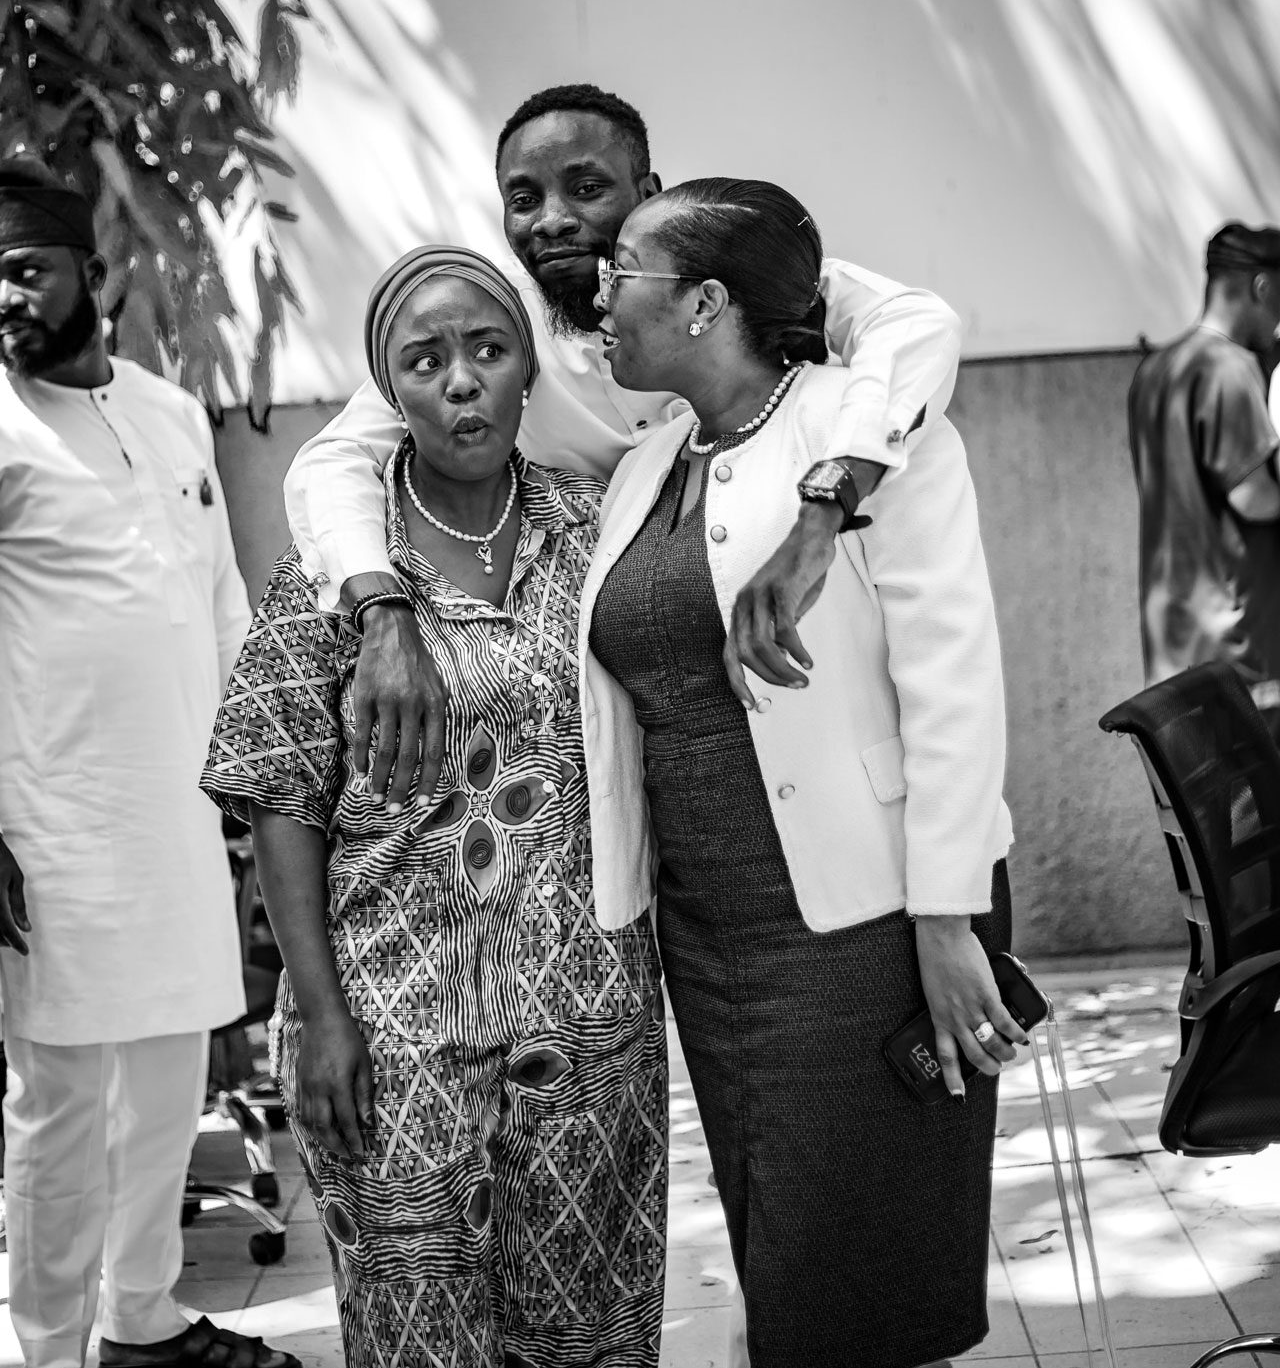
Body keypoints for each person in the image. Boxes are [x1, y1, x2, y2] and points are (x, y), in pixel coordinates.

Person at [580, 179, 1021, 1368]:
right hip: (708, 935)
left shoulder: (866, 432)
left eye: (623, 271)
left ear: (705, 303)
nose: (599, 295)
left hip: (866, 921)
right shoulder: (647, 461)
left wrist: (945, 918)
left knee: (857, 1281)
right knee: (780, 1254)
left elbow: (952, 683)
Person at [201, 247, 668, 1368]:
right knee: (418, 1332)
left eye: (488, 349)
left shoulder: (598, 536)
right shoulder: (336, 571)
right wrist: (321, 1019)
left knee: (587, 1329)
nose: (461, 380)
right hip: (393, 1025)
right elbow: (278, 796)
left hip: (585, 1018)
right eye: (424, 360)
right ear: (389, 389)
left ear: (526, 373)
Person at [282, 84, 965, 812]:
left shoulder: (737, 280)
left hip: (833, 734)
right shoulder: (496, 330)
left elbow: (916, 326)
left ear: (648, 192)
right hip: (650, 736)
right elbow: (335, 460)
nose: (552, 220)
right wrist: (383, 610)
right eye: (523, 199)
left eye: (586, 188)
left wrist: (825, 506)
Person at [0, 156, 297, 1368]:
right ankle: (46, 1344)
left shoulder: (170, 411)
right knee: (61, 1103)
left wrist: (251, 778)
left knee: (172, 1070)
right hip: (49, 823)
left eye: (26, 270)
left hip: (178, 809)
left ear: (96, 275)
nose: (6, 297)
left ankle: (143, 1319)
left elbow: (221, 600)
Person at [1129, 223, 1280, 736]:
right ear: (1262, 287)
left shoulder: (1156, 370)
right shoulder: (1230, 369)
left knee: (1194, 788)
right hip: (1238, 651)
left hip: (1173, 644)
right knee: (1256, 789)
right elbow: (1255, 498)